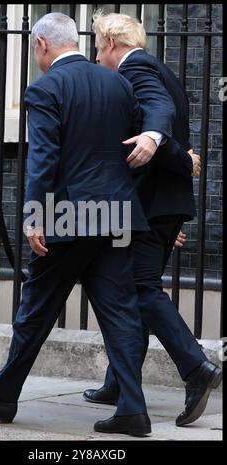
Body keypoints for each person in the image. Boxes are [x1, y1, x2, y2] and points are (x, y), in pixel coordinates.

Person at [0, 12, 170, 437]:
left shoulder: (46, 87)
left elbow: (44, 159)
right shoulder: (118, 83)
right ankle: (132, 408)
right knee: (121, 309)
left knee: (37, 306)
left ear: (41, 45)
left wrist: (35, 215)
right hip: (117, 212)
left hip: (71, 213)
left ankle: (2, 393)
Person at [83, 12, 222, 428]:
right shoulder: (164, 70)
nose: (94, 54)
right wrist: (184, 161)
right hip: (161, 204)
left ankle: (195, 366)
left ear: (109, 42)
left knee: (139, 289)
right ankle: (118, 383)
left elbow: (158, 122)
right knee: (132, 289)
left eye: (95, 44)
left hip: (149, 205)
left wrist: (173, 154)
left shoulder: (137, 67)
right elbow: (173, 132)